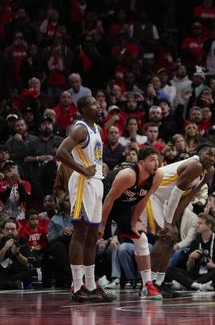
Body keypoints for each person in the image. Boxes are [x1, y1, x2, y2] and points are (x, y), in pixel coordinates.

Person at [54, 96, 116, 303]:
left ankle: (91, 286)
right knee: (80, 234)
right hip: (83, 183)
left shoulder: (96, 128)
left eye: (98, 103)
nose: (98, 106)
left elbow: (92, 157)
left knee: (92, 237)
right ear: (82, 109)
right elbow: (61, 152)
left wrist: (102, 167)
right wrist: (83, 170)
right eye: (93, 104)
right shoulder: (79, 129)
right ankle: (77, 286)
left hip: (95, 182)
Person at [147, 143, 215, 296]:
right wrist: (169, 223)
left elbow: (189, 196)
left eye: (214, 156)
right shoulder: (195, 165)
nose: (212, 158)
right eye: (208, 154)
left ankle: (159, 282)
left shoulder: (208, 172)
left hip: (165, 200)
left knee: (172, 238)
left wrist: (173, 222)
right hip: (153, 194)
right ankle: (148, 284)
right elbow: (175, 194)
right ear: (199, 153)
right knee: (165, 235)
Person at [98, 146, 163, 300]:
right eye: (152, 160)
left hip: (123, 206)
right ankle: (81, 282)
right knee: (94, 238)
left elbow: (143, 199)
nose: (156, 164)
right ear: (141, 163)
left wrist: (133, 223)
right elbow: (109, 200)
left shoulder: (157, 176)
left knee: (141, 238)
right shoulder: (129, 175)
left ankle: (147, 286)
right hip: (103, 203)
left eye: (157, 160)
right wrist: (101, 225)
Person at [166, 213, 215, 291]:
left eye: (200, 223)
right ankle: (196, 285)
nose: (197, 225)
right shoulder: (195, 242)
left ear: (209, 226)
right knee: (170, 270)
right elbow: (189, 268)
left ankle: (188, 284)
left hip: (212, 273)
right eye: (197, 223)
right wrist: (191, 258)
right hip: (198, 275)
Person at [0, 219, 32, 289]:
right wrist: (5, 248)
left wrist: (17, 253)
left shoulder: (22, 242)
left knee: (28, 273)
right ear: (2, 231)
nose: (10, 232)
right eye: (7, 229)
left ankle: (9, 284)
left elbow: (26, 263)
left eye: (12, 229)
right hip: (3, 272)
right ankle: (14, 284)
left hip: (17, 272)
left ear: (17, 231)